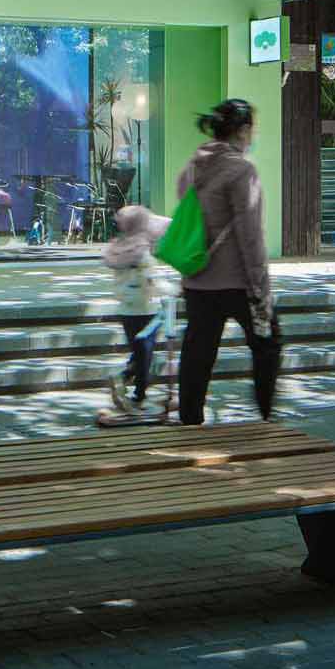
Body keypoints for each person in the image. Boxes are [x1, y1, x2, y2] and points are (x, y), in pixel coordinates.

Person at [175, 98, 280, 427]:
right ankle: (265, 417)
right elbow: (250, 235)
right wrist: (261, 285)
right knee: (267, 343)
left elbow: (188, 213)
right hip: (237, 282)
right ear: (244, 130)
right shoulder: (241, 169)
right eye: (253, 129)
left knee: (197, 355)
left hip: (197, 278)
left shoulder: (193, 165)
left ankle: (190, 422)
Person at [98, 204, 173, 423]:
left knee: (138, 348)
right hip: (146, 309)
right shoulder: (141, 252)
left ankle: (128, 379)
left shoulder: (121, 247)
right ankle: (136, 391)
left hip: (126, 309)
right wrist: (173, 290)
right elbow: (153, 280)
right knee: (145, 352)